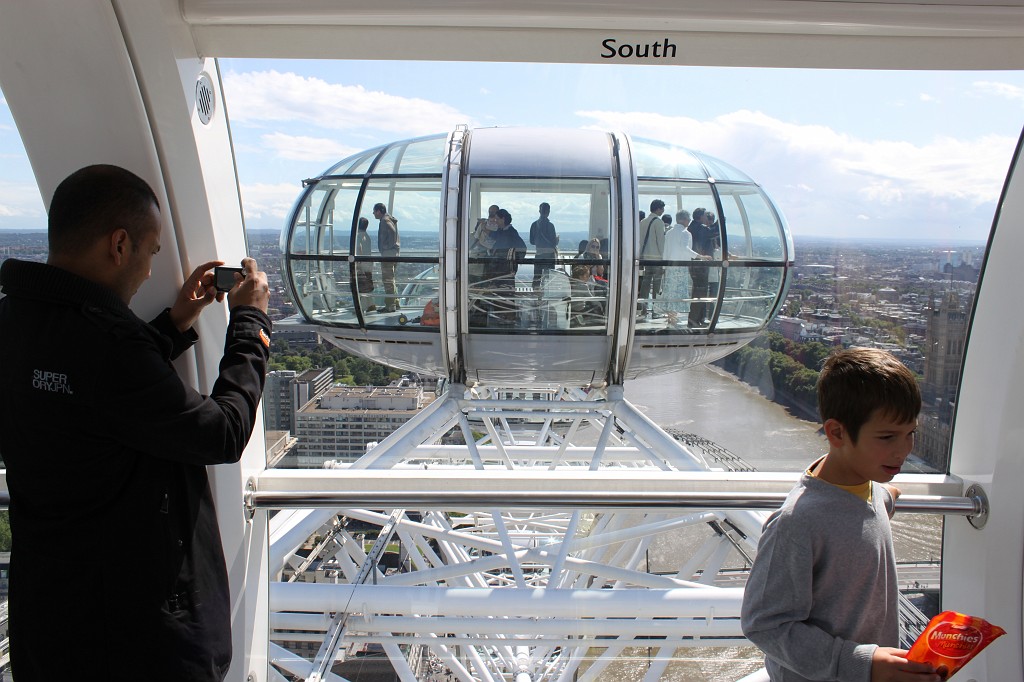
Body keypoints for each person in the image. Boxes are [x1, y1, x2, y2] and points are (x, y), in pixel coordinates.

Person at [0, 164, 272, 681]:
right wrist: (251, 328)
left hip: (50, 625)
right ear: (119, 244)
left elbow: (88, 396)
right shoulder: (110, 350)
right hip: (139, 640)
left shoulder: (12, 323)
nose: (150, 269)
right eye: (150, 251)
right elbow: (223, 432)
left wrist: (171, 327)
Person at [741, 348, 943, 682]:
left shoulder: (870, 490)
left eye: (910, 433)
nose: (904, 449)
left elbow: (868, 508)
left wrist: (888, 499)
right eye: (888, 437)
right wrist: (861, 663)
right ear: (836, 433)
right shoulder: (796, 523)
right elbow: (765, 624)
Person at [660, 210, 701, 326]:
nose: (689, 221)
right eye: (688, 219)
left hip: (669, 266)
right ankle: (673, 317)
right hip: (680, 267)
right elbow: (685, 248)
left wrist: (664, 266)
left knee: (670, 291)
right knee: (678, 291)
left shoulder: (669, 233)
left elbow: (665, 251)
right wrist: (699, 256)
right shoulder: (685, 233)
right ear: (684, 219)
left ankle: (671, 316)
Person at [687, 206, 720, 328]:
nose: (707, 218)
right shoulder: (700, 228)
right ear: (701, 216)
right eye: (705, 215)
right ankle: (694, 320)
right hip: (701, 265)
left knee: (699, 290)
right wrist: (720, 222)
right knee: (700, 292)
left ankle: (699, 318)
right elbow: (713, 232)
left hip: (694, 264)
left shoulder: (692, 227)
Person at [637, 199, 667, 318]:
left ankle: (643, 309)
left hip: (645, 258)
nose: (663, 211)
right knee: (656, 285)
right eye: (662, 208)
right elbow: (661, 242)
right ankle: (655, 311)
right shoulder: (658, 222)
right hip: (657, 258)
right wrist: (664, 259)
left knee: (645, 284)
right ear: (658, 209)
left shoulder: (643, 221)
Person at [373, 202, 400, 312]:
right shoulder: (389, 219)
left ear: (379, 211)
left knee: (387, 280)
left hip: (388, 255)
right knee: (391, 280)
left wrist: (385, 247)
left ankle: (390, 305)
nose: (373, 214)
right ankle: (395, 302)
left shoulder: (384, 220)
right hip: (394, 254)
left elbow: (392, 232)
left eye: (374, 211)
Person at [529, 202, 559, 295]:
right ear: (548, 212)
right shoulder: (550, 226)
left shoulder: (534, 225)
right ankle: (547, 298)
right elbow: (553, 243)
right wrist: (557, 240)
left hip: (538, 255)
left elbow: (532, 241)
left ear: (539, 211)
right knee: (548, 278)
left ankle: (535, 297)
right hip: (549, 256)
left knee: (537, 277)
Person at [355, 216, 376, 312]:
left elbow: (359, 249)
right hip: (369, 263)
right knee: (367, 284)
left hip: (361, 263)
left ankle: (362, 307)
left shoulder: (358, 236)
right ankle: (370, 304)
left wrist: (358, 262)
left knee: (361, 285)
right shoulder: (367, 236)